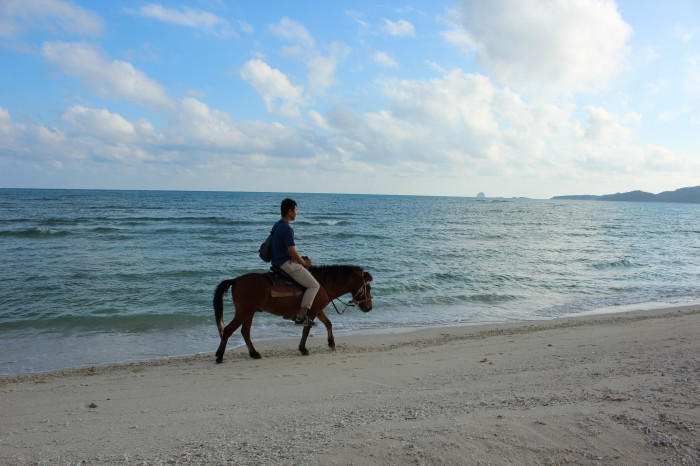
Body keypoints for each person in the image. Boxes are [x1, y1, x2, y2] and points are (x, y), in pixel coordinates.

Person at [270, 198, 320, 326]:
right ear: (289, 211)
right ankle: (301, 317)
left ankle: (292, 310)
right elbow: (292, 252)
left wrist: (301, 258)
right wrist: (304, 263)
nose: (297, 213)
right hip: (285, 263)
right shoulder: (287, 228)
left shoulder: (277, 224)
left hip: (276, 261)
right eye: (296, 210)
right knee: (314, 286)